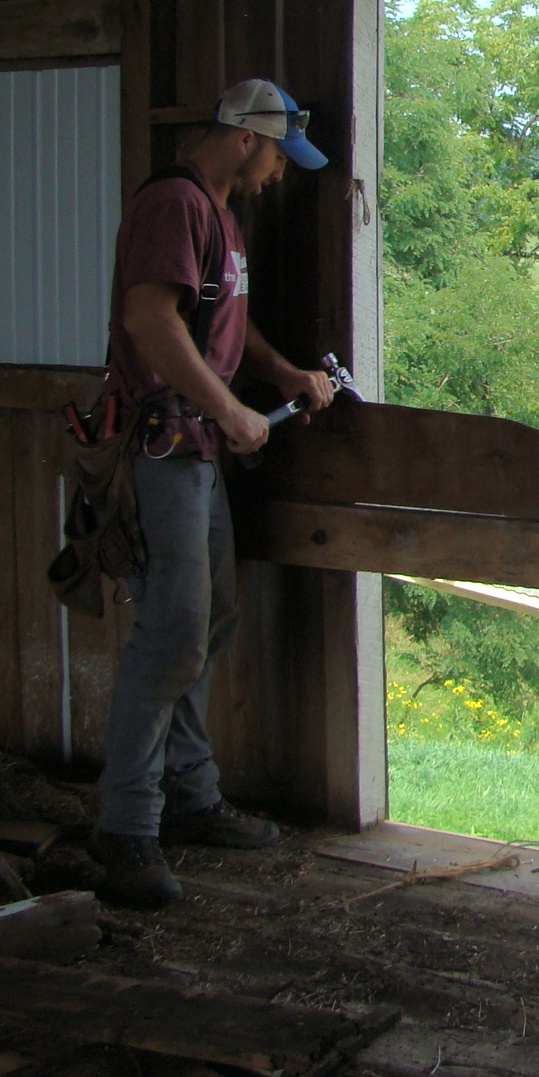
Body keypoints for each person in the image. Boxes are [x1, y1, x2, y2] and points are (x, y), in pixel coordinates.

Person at [92, 77, 337, 909]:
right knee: (169, 638)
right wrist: (229, 409)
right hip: (166, 447)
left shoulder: (223, 221)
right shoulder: (176, 206)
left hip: (197, 450)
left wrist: (280, 374)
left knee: (209, 619)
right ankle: (125, 833)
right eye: (278, 155)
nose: (281, 172)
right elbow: (149, 322)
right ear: (242, 137)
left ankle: (191, 798)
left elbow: (225, 320)